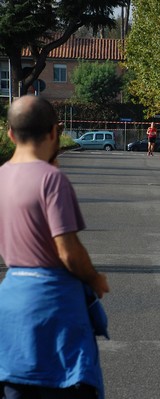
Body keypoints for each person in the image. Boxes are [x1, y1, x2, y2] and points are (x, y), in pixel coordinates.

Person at [0, 95, 110, 398]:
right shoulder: (51, 179)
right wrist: (93, 278)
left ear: (10, 133)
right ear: (53, 132)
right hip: (53, 304)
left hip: (10, 300)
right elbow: (68, 250)